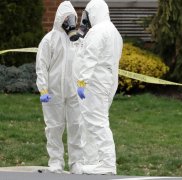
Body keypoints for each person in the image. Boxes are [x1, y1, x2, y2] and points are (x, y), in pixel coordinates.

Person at [73, 0, 123, 175]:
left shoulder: (97, 31)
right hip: (107, 82)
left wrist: (81, 82)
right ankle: (94, 161)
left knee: (97, 122)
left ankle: (107, 163)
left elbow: (89, 59)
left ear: (93, 12)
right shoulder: (114, 32)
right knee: (94, 122)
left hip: (94, 82)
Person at [36, 1, 82, 174]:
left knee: (76, 126)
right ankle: (55, 162)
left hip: (73, 92)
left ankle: (76, 162)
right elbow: (41, 66)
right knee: (54, 128)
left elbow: (82, 64)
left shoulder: (76, 41)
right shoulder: (49, 40)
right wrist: (43, 89)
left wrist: (82, 86)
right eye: (67, 17)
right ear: (59, 18)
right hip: (53, 93)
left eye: (72, 18)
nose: (70, 21)